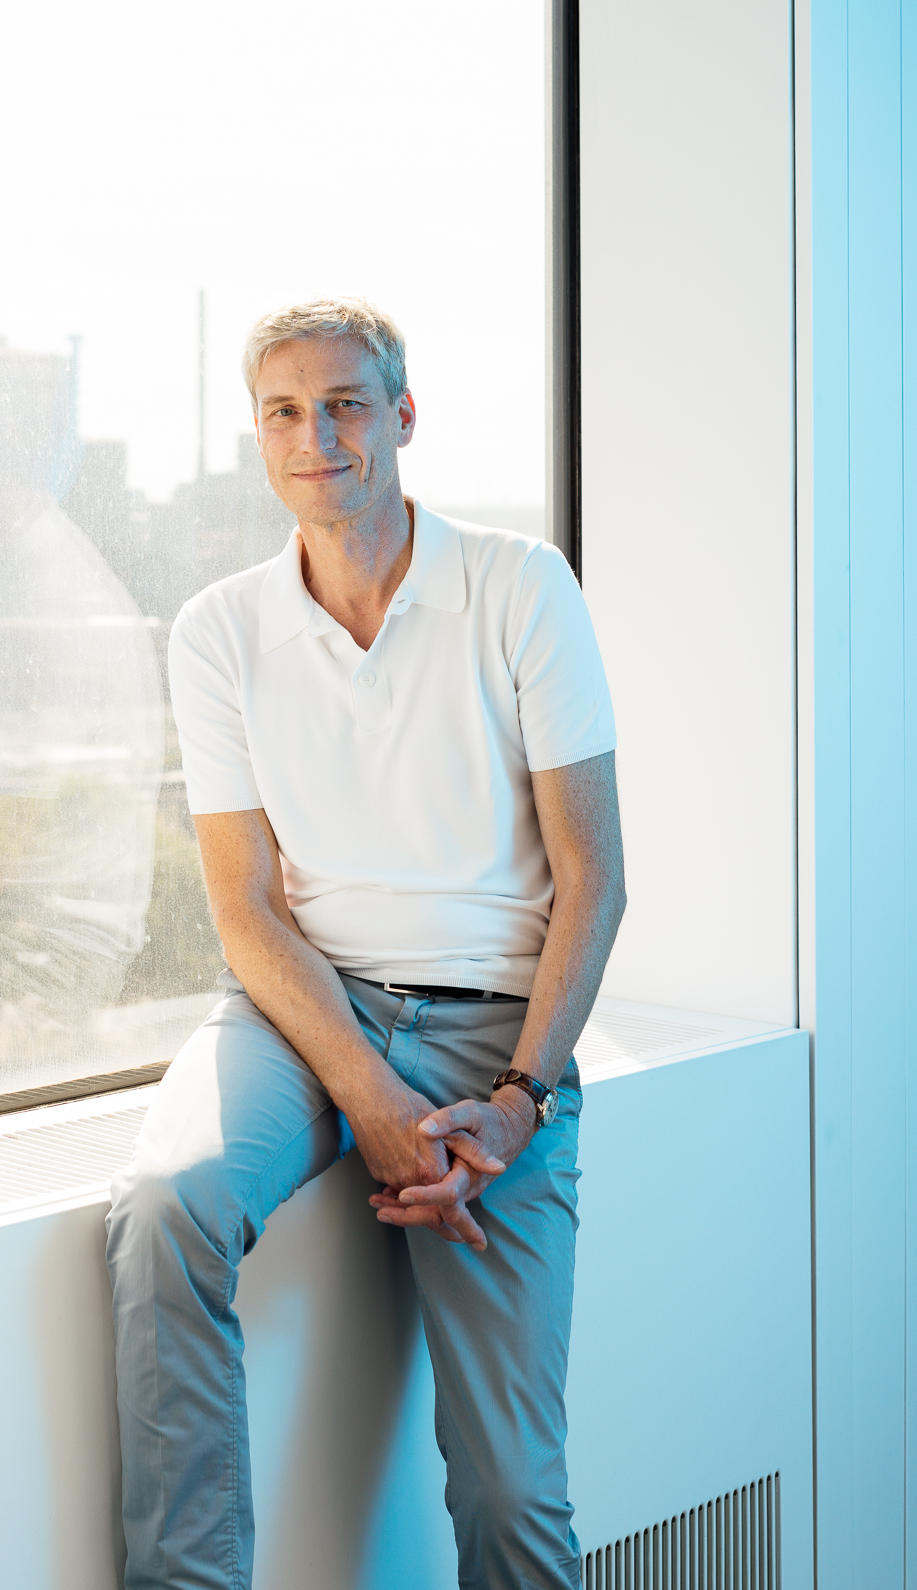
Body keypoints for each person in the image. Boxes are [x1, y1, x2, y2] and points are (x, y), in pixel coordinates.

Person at [106, 296, 626, 1590]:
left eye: (344, 403)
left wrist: (511, 1104)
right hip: (308, 1012)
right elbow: (242, 905)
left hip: (494, 1033)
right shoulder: (217, 629)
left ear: (402, 417)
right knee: (169, 1206)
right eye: (284, 411)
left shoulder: (518, 587)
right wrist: (372, 1097)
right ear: (259, 437)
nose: (315, 435)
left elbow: (594, 879)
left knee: (512, 1490)